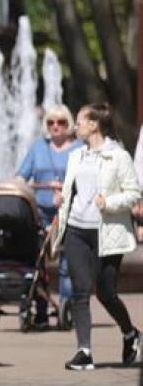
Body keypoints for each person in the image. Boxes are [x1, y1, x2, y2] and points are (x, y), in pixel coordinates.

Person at [53, 103, 141, 370]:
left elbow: (134, 193)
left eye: (79, 122)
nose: (74, 127)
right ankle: (84, 351)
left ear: (93, 125)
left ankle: (130, 332)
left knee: (105, 292)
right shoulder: (76, 156)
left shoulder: (118, 156)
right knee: (79, 291)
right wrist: (62, 201)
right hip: (77, 230)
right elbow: (74, 192)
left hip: (107, 232)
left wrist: (110, 203)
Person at [16, 103, 80, 327]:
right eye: (51, 122)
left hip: (70, 213)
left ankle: (66, 308)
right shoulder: (38, 148)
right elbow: (20, 177)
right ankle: (41, 311)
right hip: (41, 213)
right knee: (38, 262)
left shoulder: (79, 148)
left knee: (66, 265)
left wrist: (65, 190)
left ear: (69, 124)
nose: (56, 126)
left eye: (61, 122)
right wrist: (43, 186)